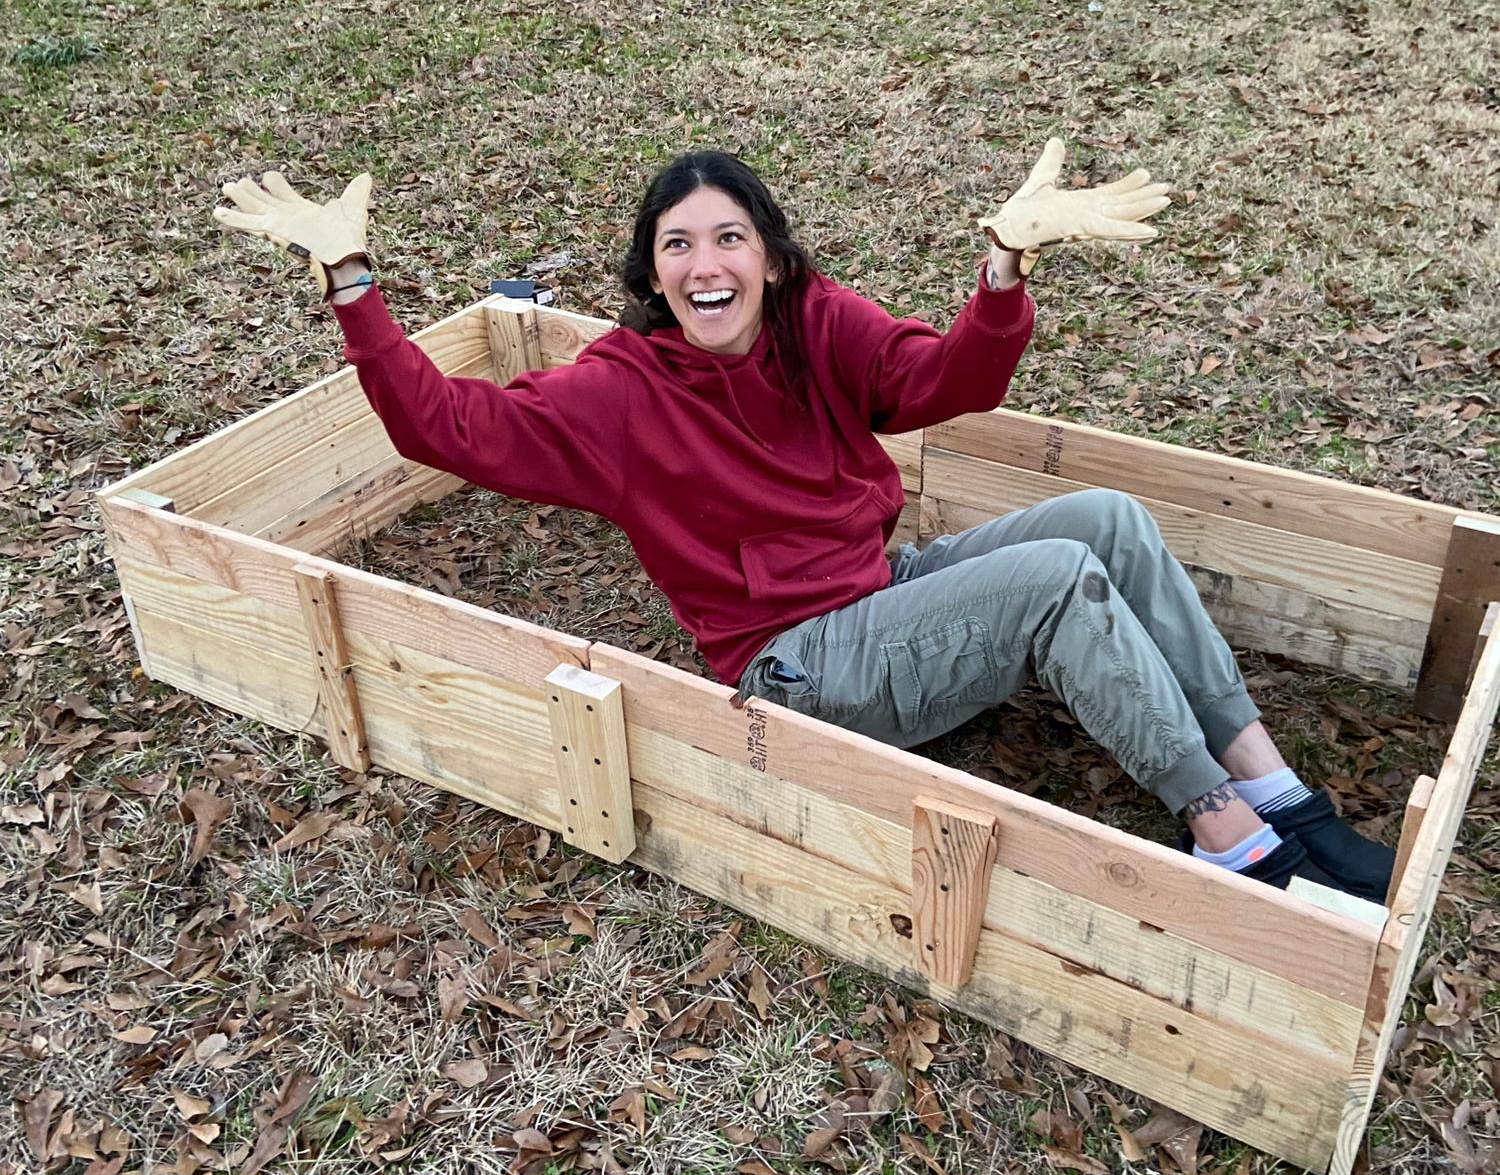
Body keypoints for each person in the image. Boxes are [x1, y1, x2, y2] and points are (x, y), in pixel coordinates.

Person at [214, 150, 1393, 901]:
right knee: (1051, 578)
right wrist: (356, 288)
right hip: (797, 663)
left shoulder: (817, 324)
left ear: (769, 258)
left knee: (1110, 520)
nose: (705, 261)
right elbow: (442, 425)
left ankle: (1278, 789)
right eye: (678, 244)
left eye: (728, 236)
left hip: (881, 588)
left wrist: (1001, 270)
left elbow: (948, 382)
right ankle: (1230, 835)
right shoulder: (618, 391)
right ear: (656, 276)